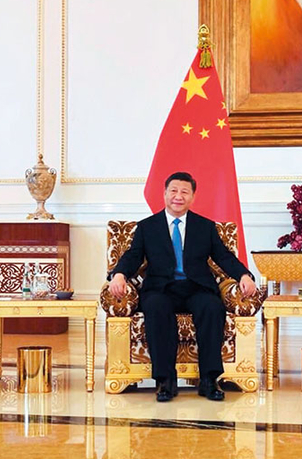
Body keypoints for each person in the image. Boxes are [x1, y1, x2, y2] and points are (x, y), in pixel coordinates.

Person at [108, 172, 256, 402]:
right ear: (165, 194)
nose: (178, 196)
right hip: (161, 288)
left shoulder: (205, 226)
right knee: (156, 308)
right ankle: (165, 381)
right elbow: (133, 256)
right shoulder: (147, 227)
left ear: (193, 197)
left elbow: (223, 256)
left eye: (185, 192)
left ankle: (209, 380)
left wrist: (244, 275)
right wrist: (119, 274)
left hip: (196, 287)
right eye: (174, 191)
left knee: (212, 307)